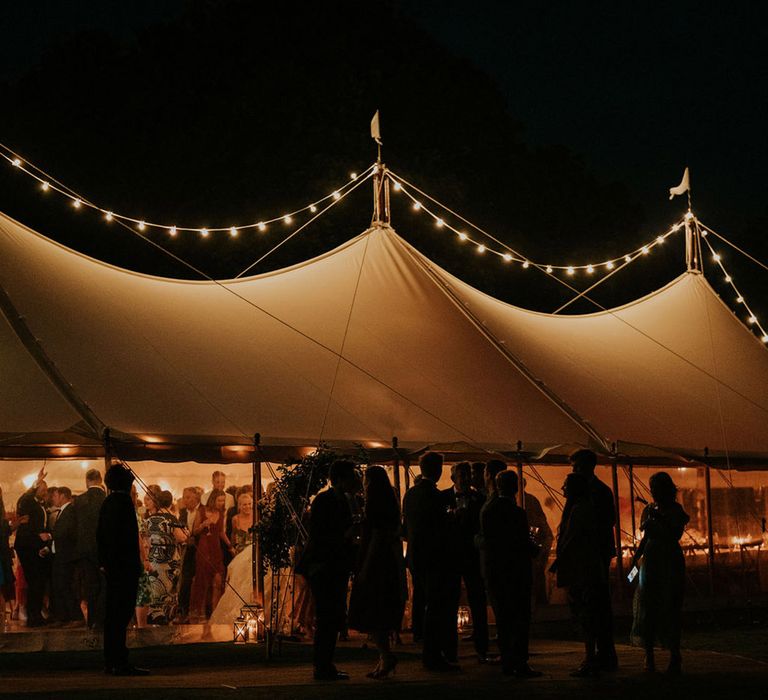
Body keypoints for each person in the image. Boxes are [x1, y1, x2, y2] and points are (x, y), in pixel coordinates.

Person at [296, 459, 357, 681]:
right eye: (352, 476)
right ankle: (322, 666)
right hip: (323, 566)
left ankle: (326, 664)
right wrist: (345, 536)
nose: (356, 480)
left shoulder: (347, 501)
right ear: (340, 479)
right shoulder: (325, 500)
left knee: (333, 616)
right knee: (326, 616)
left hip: (336, 566)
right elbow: (319, 535)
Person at [479, 470, 541, 677]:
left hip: (495, 572)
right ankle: (520, 662)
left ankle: (507, 660)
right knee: (520, 619)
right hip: (516, 573)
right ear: (516, 487)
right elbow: (522, 543)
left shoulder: (487, 510)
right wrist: (535, 548)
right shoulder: (516, 513)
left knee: (503, 619)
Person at [348, 465, 406, 679]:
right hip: (386, 562)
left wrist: (365, 566)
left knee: (372, 611)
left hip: (376, 564)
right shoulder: (390, 505)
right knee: (378, 611)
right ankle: (384, 657)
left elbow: (376, 537)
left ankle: (386, 655)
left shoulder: (375, 507)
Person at [403, 452, 458, 672]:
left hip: (416, 557)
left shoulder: (411, 494)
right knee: (436, 608)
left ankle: (430, 651)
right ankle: (433, 655)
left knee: (426, 602)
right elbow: (440, 529)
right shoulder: (436, 497)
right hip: (434, 558)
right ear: (437, 470)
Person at [631, 472, 689, 674]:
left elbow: (676, 534)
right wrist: (635, 560)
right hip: (650, 559)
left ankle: (674, 655)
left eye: (657, 488)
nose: (654, 492)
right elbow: (645, 538)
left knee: (670, 605)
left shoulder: (676, 510)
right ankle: (649, 655)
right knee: (647, 604)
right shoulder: (648, 509)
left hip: (669, 558)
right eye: (652, 487)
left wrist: (661, 520)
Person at [551, 472, 605, 677]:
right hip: (584, 568)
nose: (562, 489)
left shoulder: (579, 510)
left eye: (566, 486)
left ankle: (590, 658)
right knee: (586, 613)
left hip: (582, 570)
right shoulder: (582, 508)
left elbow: (572, 539)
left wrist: (559, 561)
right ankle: (591, 656)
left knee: (586, 613)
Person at [98, 463, 149, 676]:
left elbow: (101, 536)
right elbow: (128, 539)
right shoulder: (124, 503)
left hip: (112, 567)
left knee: (113, 616)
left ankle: (112, 659)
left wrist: (105, 563)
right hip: (124, 568)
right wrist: (134, 565)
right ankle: (119, 660)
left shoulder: (108, 503)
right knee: (121, 614)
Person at [569, 448, 617, 671]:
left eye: (577, 466)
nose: (573, 470)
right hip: (590, 555)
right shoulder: (587, 491)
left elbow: (607, 522)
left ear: (589, 466)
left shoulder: (599, 491)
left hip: (595, 555)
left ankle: (603, 654)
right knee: (592, 604)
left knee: (595, 604)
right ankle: (602, 654)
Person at [442, 461, 490, 662]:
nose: (467, 479)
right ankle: (449, 650)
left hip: (472, 556)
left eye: (468, 475)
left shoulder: (479, 498)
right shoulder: (442, 497)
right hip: (451, 557)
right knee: (449, 603)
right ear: (453, 478)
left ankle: (482, 647)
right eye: (463, 475)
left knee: (478, 602)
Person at [15, 470, 52, 627]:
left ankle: (36, 614)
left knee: (38, 581)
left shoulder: (40, 504)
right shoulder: (29, 502)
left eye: (46, 489)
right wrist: (36, 482)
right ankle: (33, 616)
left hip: (36, 545)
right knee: (35, 580)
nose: (45, 491)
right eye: (42, 489)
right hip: (27, 545)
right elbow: (23, 499)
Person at [144, 490, 186, 624]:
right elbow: (181, 537)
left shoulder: (149, 519)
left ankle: (154, 614)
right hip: (169, 561)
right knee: (169, 588)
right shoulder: (171, 518)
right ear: (170, 502)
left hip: (152, 559)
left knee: (154, 587)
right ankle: (167, 616)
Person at [189, 488, 230, 621]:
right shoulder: (201, 511)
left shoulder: (221, 513)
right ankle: (199, 612)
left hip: (216, 548)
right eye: (219, 500)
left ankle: (214, 612)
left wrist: (230, 546)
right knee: (202, 580)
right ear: (213, 500)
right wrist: (202, 525)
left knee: (218, 580)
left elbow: (221, 532)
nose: (222, 503)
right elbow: (194, 531)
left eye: (223, 500)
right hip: (204, 547)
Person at [74, 468, 106, 629]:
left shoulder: (79, 500)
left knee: (90, 586)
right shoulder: (106, 499)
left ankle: (92, 620)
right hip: (103, 549)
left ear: (87, 481)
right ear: (100, 480)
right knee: (104, 585)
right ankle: (102, 619)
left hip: (84, 550)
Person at [51, 487, 82, 625]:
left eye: (55, 495)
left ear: (63, 496)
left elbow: (66, 531)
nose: (53, 498)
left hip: (66, 555)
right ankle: (65, 616)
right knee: (61, 585)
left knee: (67, 586)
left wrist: (51, 536)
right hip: (61, 554)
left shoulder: (70, 511)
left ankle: (75, 616)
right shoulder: (63, 511)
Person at [523, 480, 555, 610]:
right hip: (532, 555)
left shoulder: (530, 501)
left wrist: (541, 554)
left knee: (536, 588)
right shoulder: (529, 501)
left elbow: (544, 531)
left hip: (532, 557)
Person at [1, 486, 27, 623]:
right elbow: (5, 531)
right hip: (2, 556)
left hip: (3, 556)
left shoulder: (3, 518)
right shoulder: (2, 518)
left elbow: (6, 531)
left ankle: (8, 614)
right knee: (5, 588)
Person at [176, 486, 202, 622]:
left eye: (187, 497)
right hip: (188, 551)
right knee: (185, 580)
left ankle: (198, 610)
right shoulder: (182, 512)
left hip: (201, 549)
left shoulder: (202, 511)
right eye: (184, 497)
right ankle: (183, 609)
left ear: (196, 497)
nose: (185, 500)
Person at [230, 491, 254, 556]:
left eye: (249, 504)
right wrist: (231, 548)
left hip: (254, 552)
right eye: (244, 504)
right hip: (240, 552)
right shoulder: (235, 519)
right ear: (239, 506)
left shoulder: (256, 517)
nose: (247, 506)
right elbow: (233, 534)